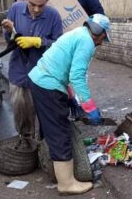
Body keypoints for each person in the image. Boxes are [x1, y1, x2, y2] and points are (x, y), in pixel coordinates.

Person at [28, 14, 110, 195]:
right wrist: (90, 108)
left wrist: (71, 96)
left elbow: (64, 68)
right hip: (48, 84)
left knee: (50, 128)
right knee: (59, 131)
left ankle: (51, 165)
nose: (102, 43)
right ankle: (66, 183)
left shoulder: (78, 33)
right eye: (104, 37)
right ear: (99, 32)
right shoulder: (87, 42)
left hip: (40, 80)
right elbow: (77, 76)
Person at [1, 0, 63, 138]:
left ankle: (44, 144)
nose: (36, 9)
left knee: (45, 113)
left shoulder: (53, 15)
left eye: (40, 5)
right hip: (19, 71)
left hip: (43, 73)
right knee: (21, 110)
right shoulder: (16, 9)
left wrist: (38, 41)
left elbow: (60, 45)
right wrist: (10, 31)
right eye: (32, 4)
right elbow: (8, 40)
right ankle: (26, 143)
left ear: (46, 1)